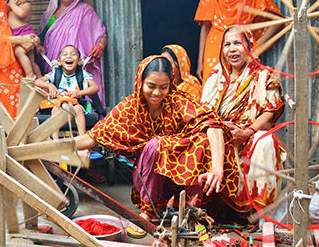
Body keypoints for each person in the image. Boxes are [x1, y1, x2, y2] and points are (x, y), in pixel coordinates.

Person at [75, 56, 240, 237]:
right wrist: (49, 146)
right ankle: (147, 211)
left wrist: (217, 169)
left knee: (203, 140)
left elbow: (213, 126)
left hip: (182, 179)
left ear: (171, 83)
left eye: (164, 87)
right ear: (140, 82)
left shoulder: (178, 101)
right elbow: (93, 137)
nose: (157, 93)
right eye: (151, 86)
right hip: (149, 179)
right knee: (156, 144)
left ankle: (193, 211)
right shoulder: (129, 107)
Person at [200, 26, 286, 212]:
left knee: (265, 141)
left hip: (250, 133)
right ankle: (207, 207)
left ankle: (260, 211)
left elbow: (269, 112)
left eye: (237, 43)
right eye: (227, 44)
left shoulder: (264, 75)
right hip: (220, 135)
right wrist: (221, 131)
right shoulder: (216, 75)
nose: (232, 49)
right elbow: (204, 113)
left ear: (250, 46)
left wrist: (247, 132)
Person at [38, 0, 107, 106]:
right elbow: (41, 37)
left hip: (78, 66)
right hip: (54, 64)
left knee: (80, 104)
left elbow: (101, 36)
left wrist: (100, 46)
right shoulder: (48, 15)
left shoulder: (85, 11)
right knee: (55, 102)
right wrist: (38, 46)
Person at [35, 45, 99, 140]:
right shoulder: (56, 74)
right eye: (65, 54)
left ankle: (82, 139)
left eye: (73, 54)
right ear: (60, 62)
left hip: (76, 104)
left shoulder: (82, 74)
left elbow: (95, 88)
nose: (69, 56)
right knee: (55, 110)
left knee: (77, 109)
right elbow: (37, 82)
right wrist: (50, 85)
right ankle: (55, 141)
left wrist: (79, 93)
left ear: (79, 61)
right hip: (60, 105)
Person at [6, 0, 42, 80]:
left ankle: (30, 75)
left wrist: (11, 4)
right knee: (31, 60)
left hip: (25, 33)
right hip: (16, 35)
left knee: (18, 52)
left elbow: (21, 14)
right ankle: (39, 77)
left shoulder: (26, 5)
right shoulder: (13, 6)